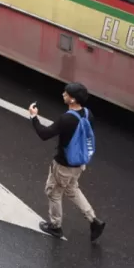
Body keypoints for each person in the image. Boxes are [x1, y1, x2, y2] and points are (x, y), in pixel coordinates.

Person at [29, 82, 106, 241]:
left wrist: (33, 117)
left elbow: (44, 134)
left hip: (63, 165)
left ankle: (55, 227)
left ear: (72, 100)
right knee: (72, 189)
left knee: (54, 193)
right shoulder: (88, 114)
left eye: (66, 93)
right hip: (79, 164)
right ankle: (94, 220)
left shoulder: (66, 119)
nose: (63, 94)